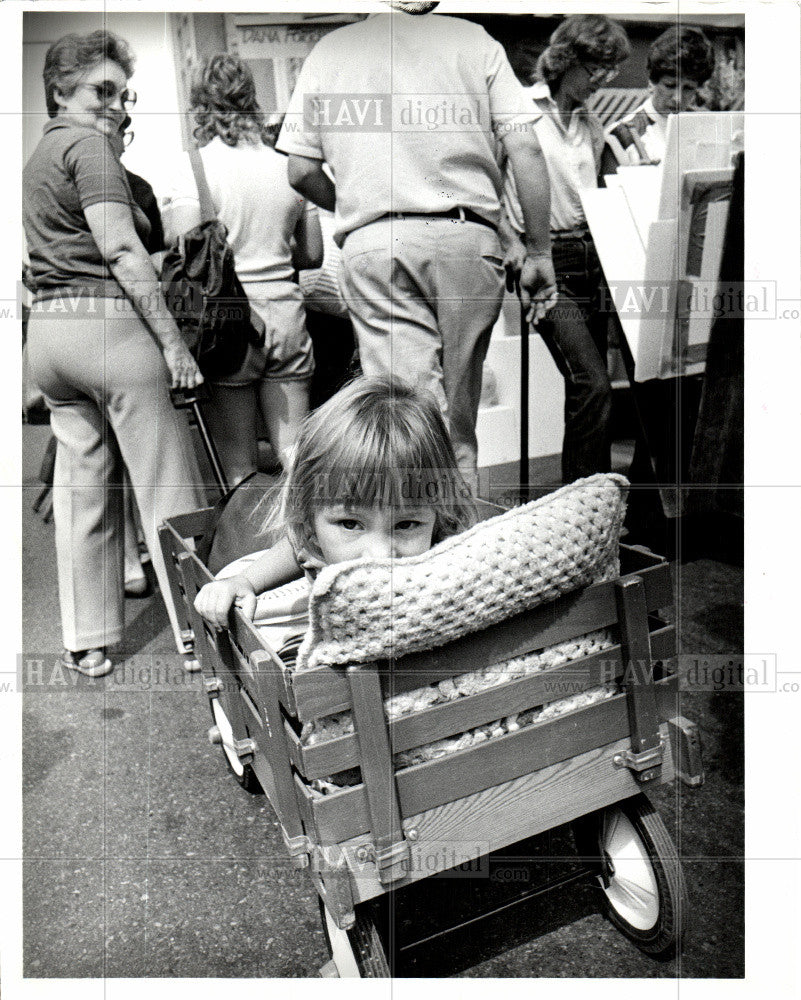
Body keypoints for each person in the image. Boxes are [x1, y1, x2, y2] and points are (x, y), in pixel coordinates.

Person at [275, 1, 557, 486]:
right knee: (459, 414)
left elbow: (300, 170)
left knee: (409, 415)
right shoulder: (473, 41)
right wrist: (538, 252)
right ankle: (462, 535)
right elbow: (526, 148)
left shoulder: (330, 52)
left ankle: (426, 547)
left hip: (377, 243)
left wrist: (362, 204)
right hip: (469, 238)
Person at [23, 29, 206, 675]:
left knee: (82, 492)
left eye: (122, 93)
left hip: (49, 334)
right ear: (60, 89)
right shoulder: (93, 149)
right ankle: (198, 634)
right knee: (167, 488)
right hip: (108, 328)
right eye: (102, 90)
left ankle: (88, 641)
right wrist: (174, 344)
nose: (116, 105)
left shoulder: (38, 158)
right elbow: (123, 251)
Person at [194, 375, 474, 628]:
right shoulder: (311, 542)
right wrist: (244, 581)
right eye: (350, 524)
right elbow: (297, 546)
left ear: (440, 514)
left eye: (406, 524)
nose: (379, 556)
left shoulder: (446, 555)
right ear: (308, 518)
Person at [163, 54, 323, 483]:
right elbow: (312, 254)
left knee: (239, 469)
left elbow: (184, 253)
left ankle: (251, 549)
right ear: (250, 98)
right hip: (288, 316)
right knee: (295, 459)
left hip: (228, 325)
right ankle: (306, 545)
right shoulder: (287, 166)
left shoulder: (193, 167)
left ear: (200, 103)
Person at [502, 14, 631, 484]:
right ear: (566, 60)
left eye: (609, 70)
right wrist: (510, 242)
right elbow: (485, 190)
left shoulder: (590, 122)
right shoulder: (518, 109)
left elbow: (602, 191)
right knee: (592, 383)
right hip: (545, 260)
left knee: (592, 389)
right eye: (596, 68)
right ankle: (580, 502)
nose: (602, 80)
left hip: (592, 259)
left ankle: (597, 501)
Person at [602, 25, 715, 172]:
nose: (678, 99)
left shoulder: (706, 126)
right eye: (670, 85)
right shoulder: (621, 136)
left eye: (688, 88)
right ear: (651, 83)